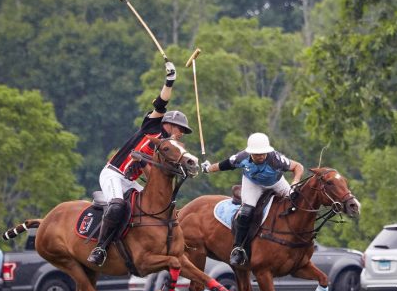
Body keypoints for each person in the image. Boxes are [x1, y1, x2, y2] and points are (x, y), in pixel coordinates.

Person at [87, 61, 192, 267]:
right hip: (114, 174)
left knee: (159, 206)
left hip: (130, 181)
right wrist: (169, 81)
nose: (180, 134)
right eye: (180, 129)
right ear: (169, 124)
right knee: (117, 205)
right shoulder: (151, 126)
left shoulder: (168, 148)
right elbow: (161, 104)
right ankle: (100, 247)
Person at [201, 132, 304, 266]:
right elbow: (223, 165)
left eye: (263, 153)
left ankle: (301, 240)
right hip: (253, 184)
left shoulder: (276, 159)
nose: (261, 156)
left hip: (277, 183)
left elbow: (298, 167)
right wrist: (208, 168)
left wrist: (294, 182)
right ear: (250, 153)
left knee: (297, 202)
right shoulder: (241, 157)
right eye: (257, 154)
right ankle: (238, 249)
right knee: (246, 212)